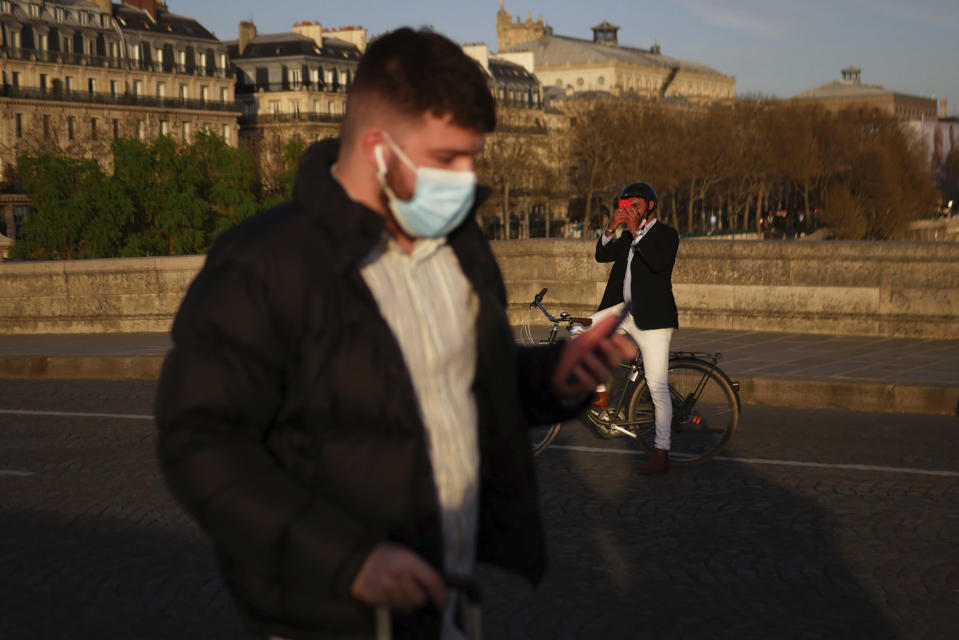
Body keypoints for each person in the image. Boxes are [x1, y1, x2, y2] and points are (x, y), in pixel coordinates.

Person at [154, 28, 632, 640]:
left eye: (472, 157)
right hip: (326, 616)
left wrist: (553, 376)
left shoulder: (456, 246)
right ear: (380, 150)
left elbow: (466, 376)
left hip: (442, 601)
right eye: (446, 159)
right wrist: (346, 560)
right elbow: (199, 444)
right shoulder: (264, 263)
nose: (466, 180)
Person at [593, 182, 679, 475]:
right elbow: (602, 255)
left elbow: (658, 263)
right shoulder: (629, 236)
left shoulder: (666, 234)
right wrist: (610, 228)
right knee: (583, 332)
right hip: (625, 311)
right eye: (626, 206)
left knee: (657, 388)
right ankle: (600, 393)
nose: (630, 211)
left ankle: (661, 453)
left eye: (636, 206)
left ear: (651, 206)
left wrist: (633, 233)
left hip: (653, 319)